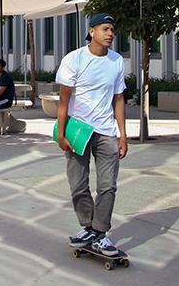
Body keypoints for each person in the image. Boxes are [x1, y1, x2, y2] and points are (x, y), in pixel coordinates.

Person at [55, 13, 127, 257]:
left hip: (106, 132)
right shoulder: (74, 59)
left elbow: (119, 98)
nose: (111, 34)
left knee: (108, 186)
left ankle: (100, 233)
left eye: (113, 30)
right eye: (106, 29)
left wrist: (123, 134)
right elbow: (64, 101)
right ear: (92, 31)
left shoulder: (116, 61)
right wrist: (61, 134)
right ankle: (87, 227)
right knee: (78, 185)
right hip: (78, 132)